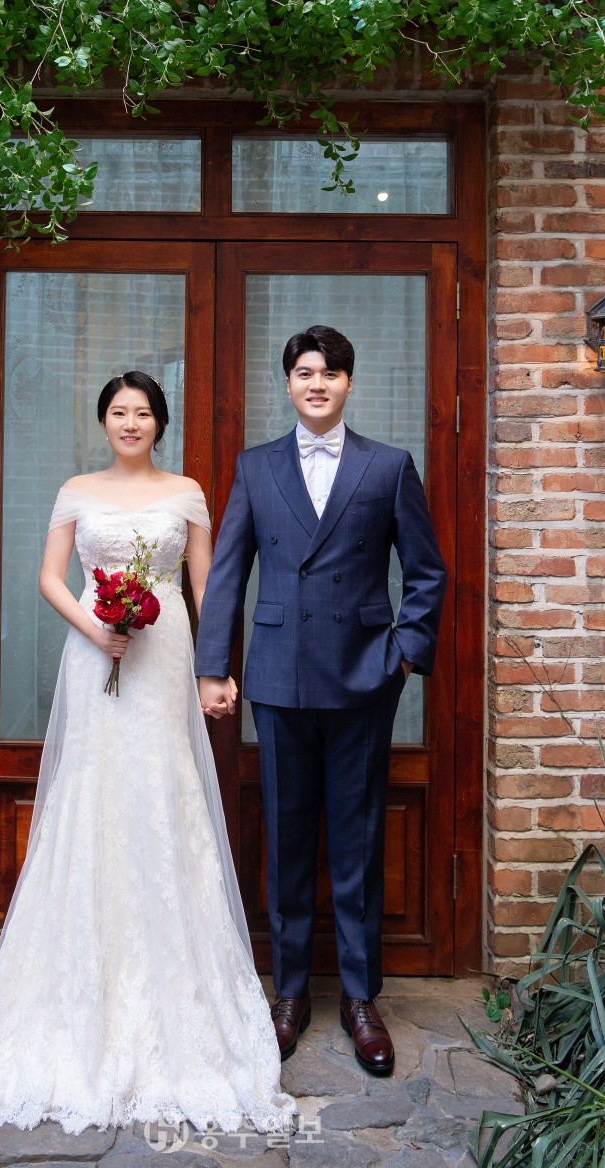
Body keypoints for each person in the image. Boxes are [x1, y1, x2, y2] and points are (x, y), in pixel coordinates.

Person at [0, 371, 294, 1147]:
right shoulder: (76, 490)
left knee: (164, 795)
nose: (131, 423)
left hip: (162, 659)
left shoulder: (188, 493)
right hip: (93, 655)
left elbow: (208, 586)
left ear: (159, 423)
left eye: (143, 413)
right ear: (104, 421)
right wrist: (94, 628)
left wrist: (215, 670)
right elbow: (49, 577)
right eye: (118, 412)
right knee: (92, 796)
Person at [195, 327, 447, 1077]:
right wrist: (212, 668)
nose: (317, 383)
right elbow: (227, 573)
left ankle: (362, 998)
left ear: (348, 384)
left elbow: (426, 572)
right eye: (305, 372)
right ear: (288, 384)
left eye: (330, 373)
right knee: (286, 839)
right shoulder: (255, 467)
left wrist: (405, 655)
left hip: (363, 677)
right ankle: (291, 992)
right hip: (277, 679)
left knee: (358, 841)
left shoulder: (389, 466)